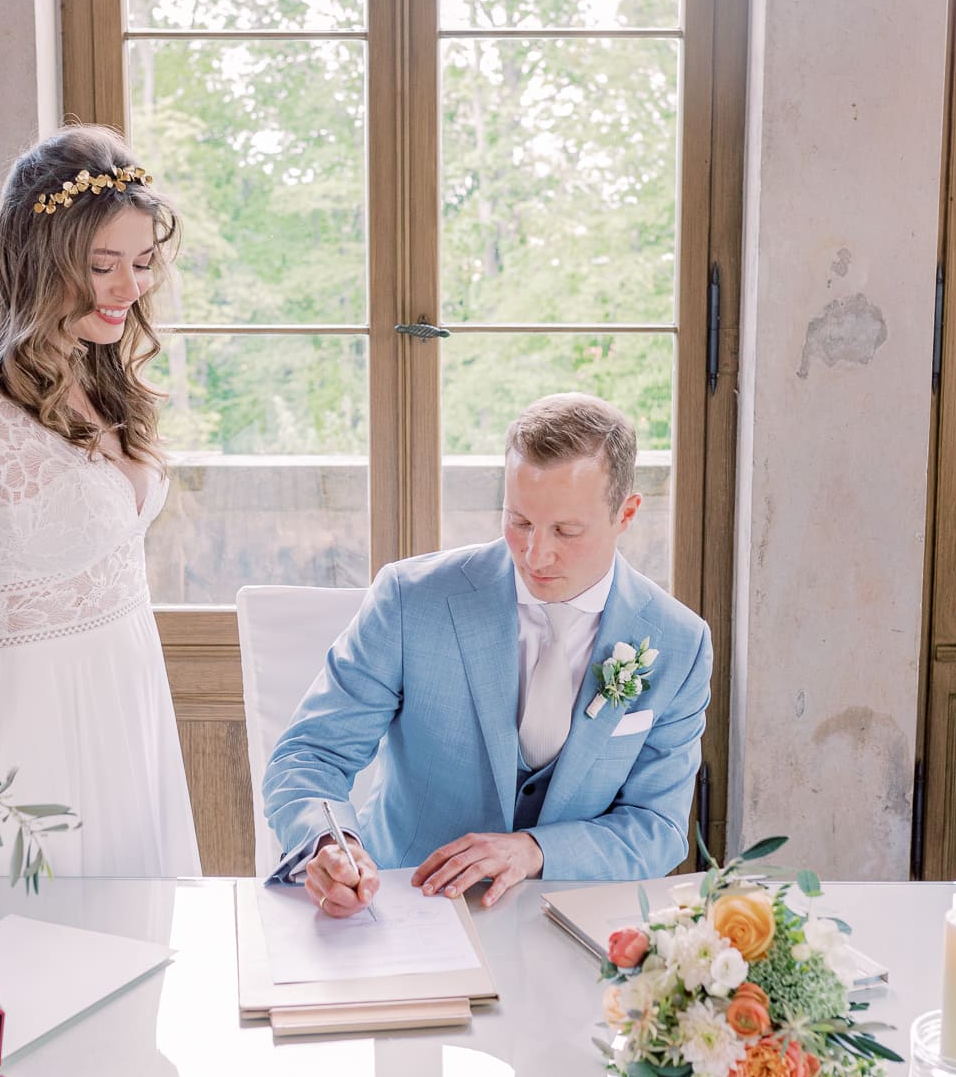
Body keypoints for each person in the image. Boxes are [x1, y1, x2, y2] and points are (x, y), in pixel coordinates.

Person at [0, 124, 201, 879]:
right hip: (33, 728)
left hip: (129, 698)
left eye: (143, 262)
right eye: (103, 265)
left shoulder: (99, 366)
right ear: (37, 259)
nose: (131, 288)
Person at [264, 392, 710, 916]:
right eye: (519, 522)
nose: (536, 554)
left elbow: (657, 827)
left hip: (576, 919)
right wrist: (329, 844)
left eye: (566, 530)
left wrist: (535, 850)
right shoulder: (411, 599)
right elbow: (311, 754)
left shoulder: (679, 640)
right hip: (405, 906)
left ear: (626, 513)